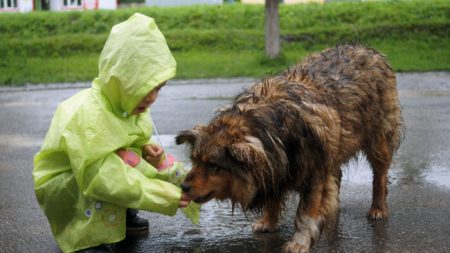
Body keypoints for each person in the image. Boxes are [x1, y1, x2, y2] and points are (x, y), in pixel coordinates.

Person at [33, 13, 195, 253]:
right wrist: (160, 195)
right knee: (111, 174)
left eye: (158, 88)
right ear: (120, 80)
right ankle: (85, 238)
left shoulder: (129, 105)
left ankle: (122, 216)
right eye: (143, 87)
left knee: (128, 158)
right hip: (68, 184)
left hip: (97, 173)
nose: (151, 98)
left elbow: (131, 139)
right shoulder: (89, 115)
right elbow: (101, 177)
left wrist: (145, 149)